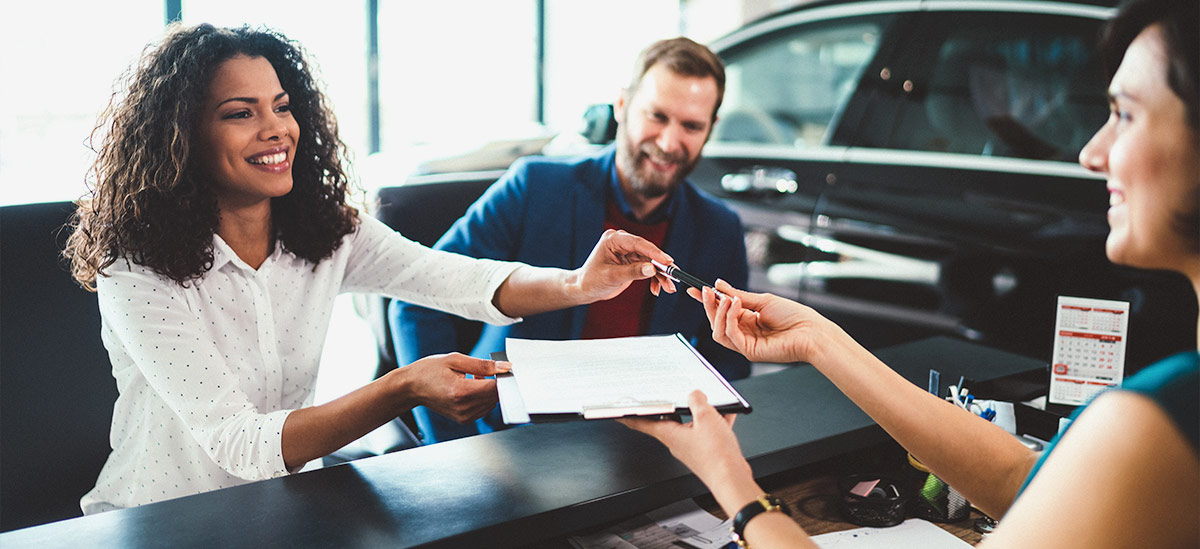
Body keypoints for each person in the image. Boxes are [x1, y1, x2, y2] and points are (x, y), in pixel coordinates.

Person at [621, 0, 1199, 546]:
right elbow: (1031, 483)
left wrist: (733, 485)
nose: (1091, 153)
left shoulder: (1158, 424)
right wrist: (820, 341)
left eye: (1124, 113)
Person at [64, 23, 678, 514]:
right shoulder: (136, 268)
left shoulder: (326, 231)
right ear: (184, 137)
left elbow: (458, 281)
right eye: (240, 113)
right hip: (156, 520)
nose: (276, 129)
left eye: (281, 106)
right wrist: (402, 387)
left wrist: (580, 283)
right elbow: (240, 443)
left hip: (272, 510)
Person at [392, 37, 750, 443]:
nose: (669, 143)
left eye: (691, 126)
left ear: (710, 130)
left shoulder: (720, 227)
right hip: (511, 437)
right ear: (622, 106)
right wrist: (449, 443)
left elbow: (728, 357)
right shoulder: (534, 187)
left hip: (642, 447)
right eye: (657, 116)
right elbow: (417, 301)